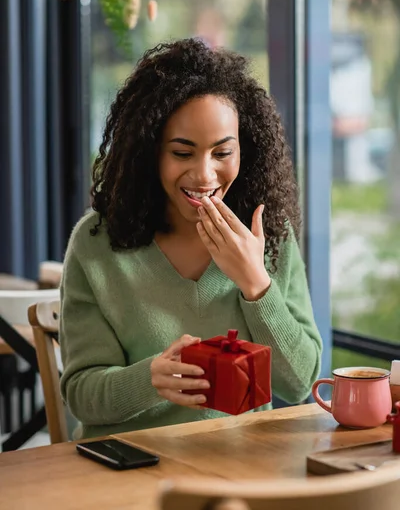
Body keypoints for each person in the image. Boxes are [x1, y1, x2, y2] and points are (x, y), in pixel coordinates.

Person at [60, 38, 322, 439]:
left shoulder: (269, 235)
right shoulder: (96, 245)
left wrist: (256, 284)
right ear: (150, 153)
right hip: (131, 472)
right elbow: (80, 393)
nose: (204, 176)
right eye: (182, 153)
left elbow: (299, 383)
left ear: (244, 151)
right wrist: (149, 379)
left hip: (245, 471)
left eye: (222, 153)